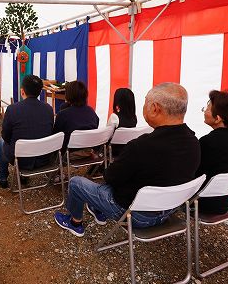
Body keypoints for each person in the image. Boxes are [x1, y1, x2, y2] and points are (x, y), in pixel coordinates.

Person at [54, 83, 200, 236]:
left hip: (135, 215)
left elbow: (110, 177)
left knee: (77, 182)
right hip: (168, 211)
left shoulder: (141, 146)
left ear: (155, 108)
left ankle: (74, 222)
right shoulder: (194, 143)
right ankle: (97, 208)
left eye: (145, 102)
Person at [0, 75, 54, 189]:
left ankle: (2, 178)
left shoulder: (12, 109)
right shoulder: (48, 108)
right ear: (40, 92)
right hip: (44, 157)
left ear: (22, 91)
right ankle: (23, 177)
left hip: (21, 159)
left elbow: (6, 136)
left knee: (1, 141)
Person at [53, 81, 99, 151]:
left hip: (69, 154)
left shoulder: (63, 115)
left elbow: (55, 136)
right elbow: (96, 124)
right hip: (89, 151)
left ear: (68, 95)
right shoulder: (91, 111)